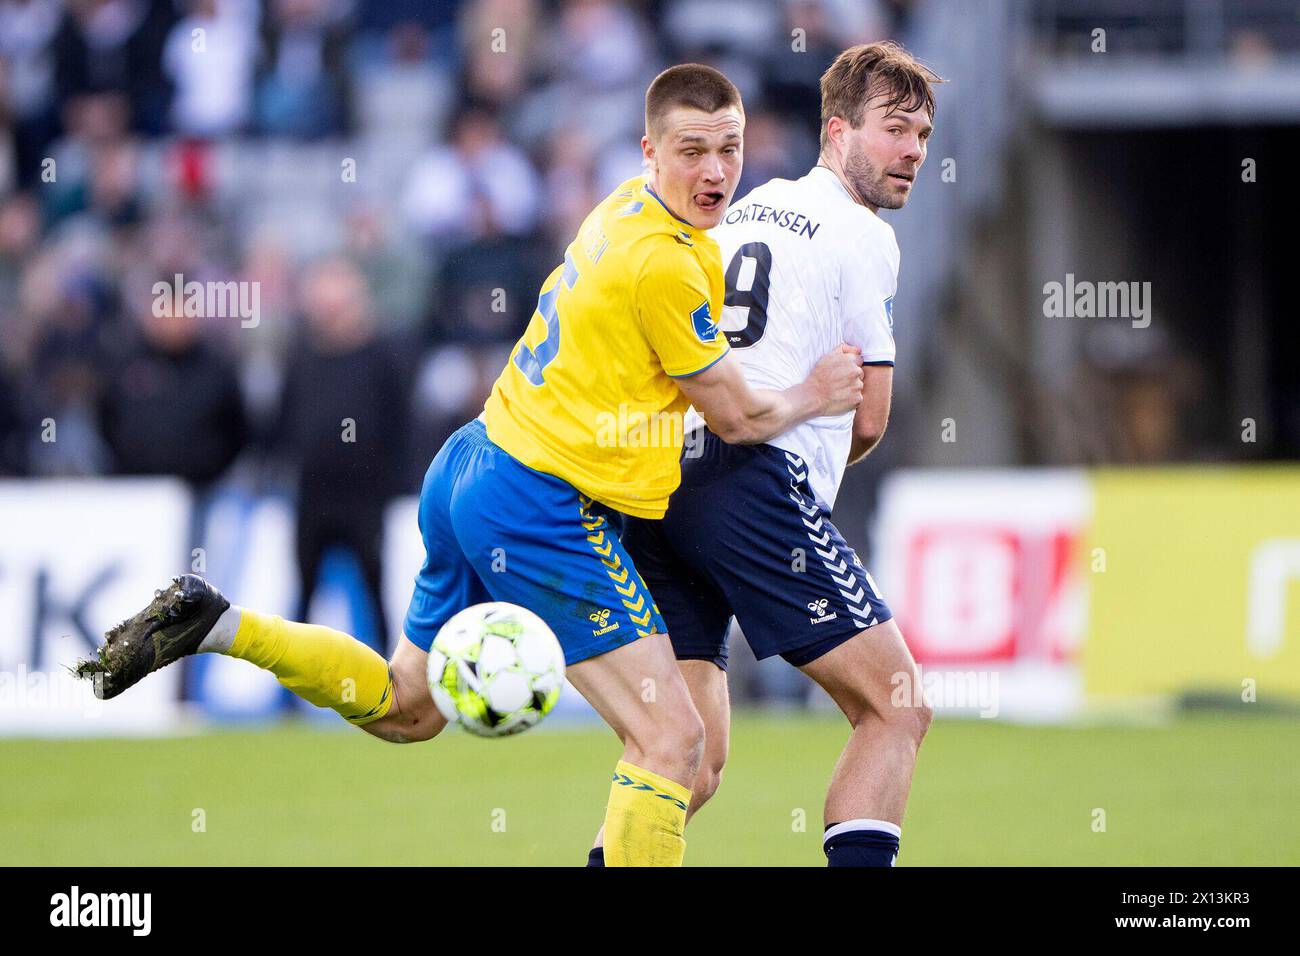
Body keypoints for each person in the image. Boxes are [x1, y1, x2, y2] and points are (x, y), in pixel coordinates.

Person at [76, 64, 865, 867]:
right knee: (670, 740)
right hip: (541, 500)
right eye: (692, 150)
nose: (715, 171)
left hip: (472, 463)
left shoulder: (619, 211)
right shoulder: (665, 262)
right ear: (648, 153)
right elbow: (736, 414)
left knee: (406, 706)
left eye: (729, 149)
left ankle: (220, 625)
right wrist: (818, 391)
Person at [591, 41, 942, 867]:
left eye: (924, 135)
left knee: (689, 759)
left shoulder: (739, 210)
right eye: (894, 130)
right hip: (751, 481)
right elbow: (869, 417)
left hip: (660, 478)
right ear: (836, 131)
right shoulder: (862, 235)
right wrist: (798, 493)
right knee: (896, 707)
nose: (914, 152)